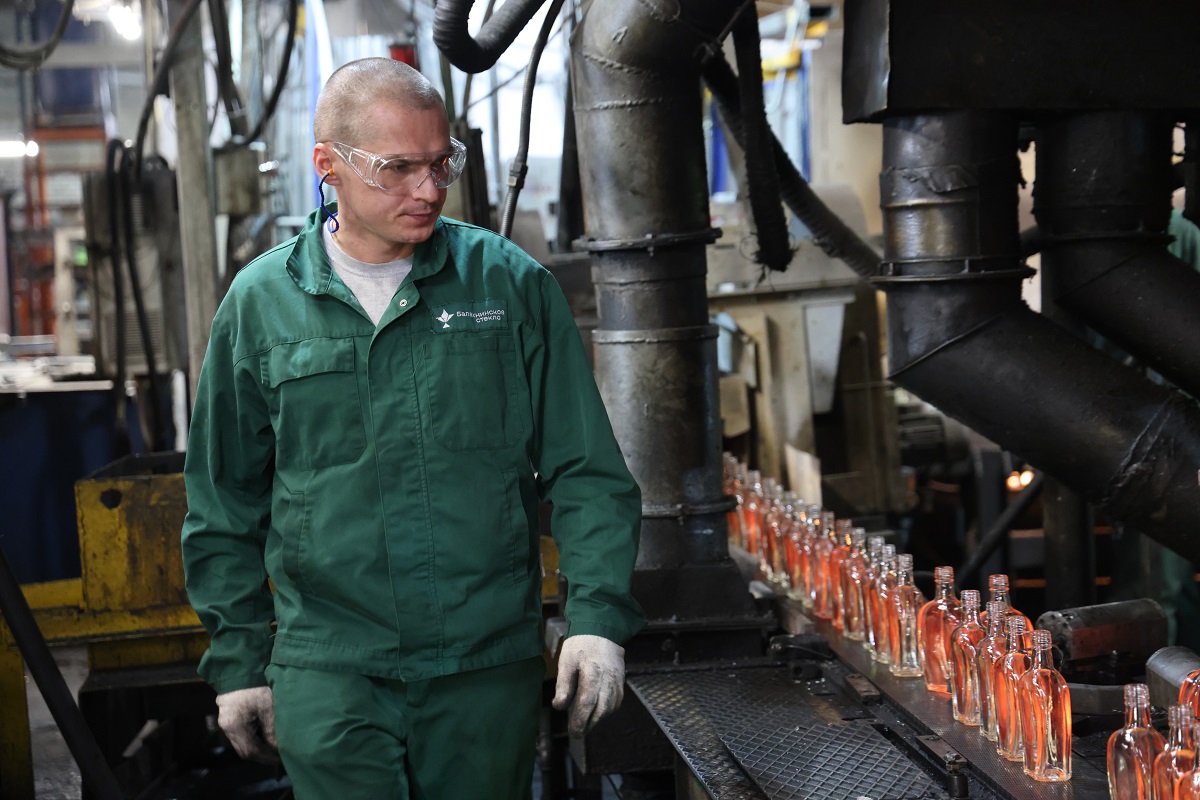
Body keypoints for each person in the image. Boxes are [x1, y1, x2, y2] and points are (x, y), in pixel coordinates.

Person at [181, 56, 645, 798]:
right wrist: (237, 665)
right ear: (327, 165)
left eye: (440, 164)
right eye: (398, 169)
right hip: (330, 667)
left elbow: (585, 469)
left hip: (483, 666)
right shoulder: (260, 304)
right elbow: (223, 504)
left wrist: (595, 618)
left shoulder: (508, 286)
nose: (428, 190)